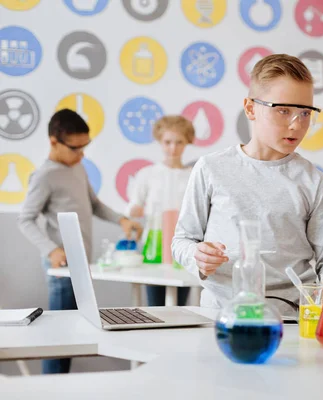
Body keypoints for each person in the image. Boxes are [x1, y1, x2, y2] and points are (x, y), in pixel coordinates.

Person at [172, 54, 323, 315]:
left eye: (305, 113)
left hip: (287, 318)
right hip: (218, 314)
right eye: (283, 110)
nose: (297, 125)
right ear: (251, 108)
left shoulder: (313, 181)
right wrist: (198, 256)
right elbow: (183, 240)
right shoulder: (211, 168)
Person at [18, 109, 141, 373]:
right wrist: (51, 250)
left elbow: (94, 205)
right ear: (54, 141)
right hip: (61, 269)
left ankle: (62, 386)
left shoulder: (77, 167)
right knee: (58, 339)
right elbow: (25, 219)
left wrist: (122, 220)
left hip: (81, 265)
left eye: (85, 147)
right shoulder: (45, 175)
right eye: (76, 148)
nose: (82, 154)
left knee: (72, 333)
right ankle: (52, 387)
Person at [125, 115, 194, 306]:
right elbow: (133, 206)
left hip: (182, 248)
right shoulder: (147, 174)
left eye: (179, 142)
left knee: (179, 307)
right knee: (155, 307)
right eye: (168, 142)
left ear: (187, 142)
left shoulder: (193, 176)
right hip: (154, 245)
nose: (173, 148)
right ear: (159, 141)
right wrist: (135, 210)